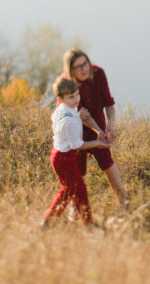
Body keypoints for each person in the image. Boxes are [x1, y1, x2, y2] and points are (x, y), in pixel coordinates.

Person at [63, 48, 128, 210]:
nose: (84, 69)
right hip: (74, 126)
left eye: (85, 64)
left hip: (97, 119)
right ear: (71, 70)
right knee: (77, 168)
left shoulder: (98, 73)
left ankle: (123, 202)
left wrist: (110, 124)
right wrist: (99, 132)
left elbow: (108, 101)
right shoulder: (67, 85)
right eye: (79, 67)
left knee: (106, 160)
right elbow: (82, 114)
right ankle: (75, 207)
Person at [42, 77, 110, 227]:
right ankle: (89, 225)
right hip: (64, 159)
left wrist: (78, 117)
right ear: (61, 98)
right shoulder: (69, 120)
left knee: (67, 190)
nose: (76, 99)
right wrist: (98, 143)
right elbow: (77, 145)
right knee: (80, 191)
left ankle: (48, 221)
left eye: (77, 94)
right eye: (71, 97)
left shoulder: (63, 110)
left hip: (58, 155)